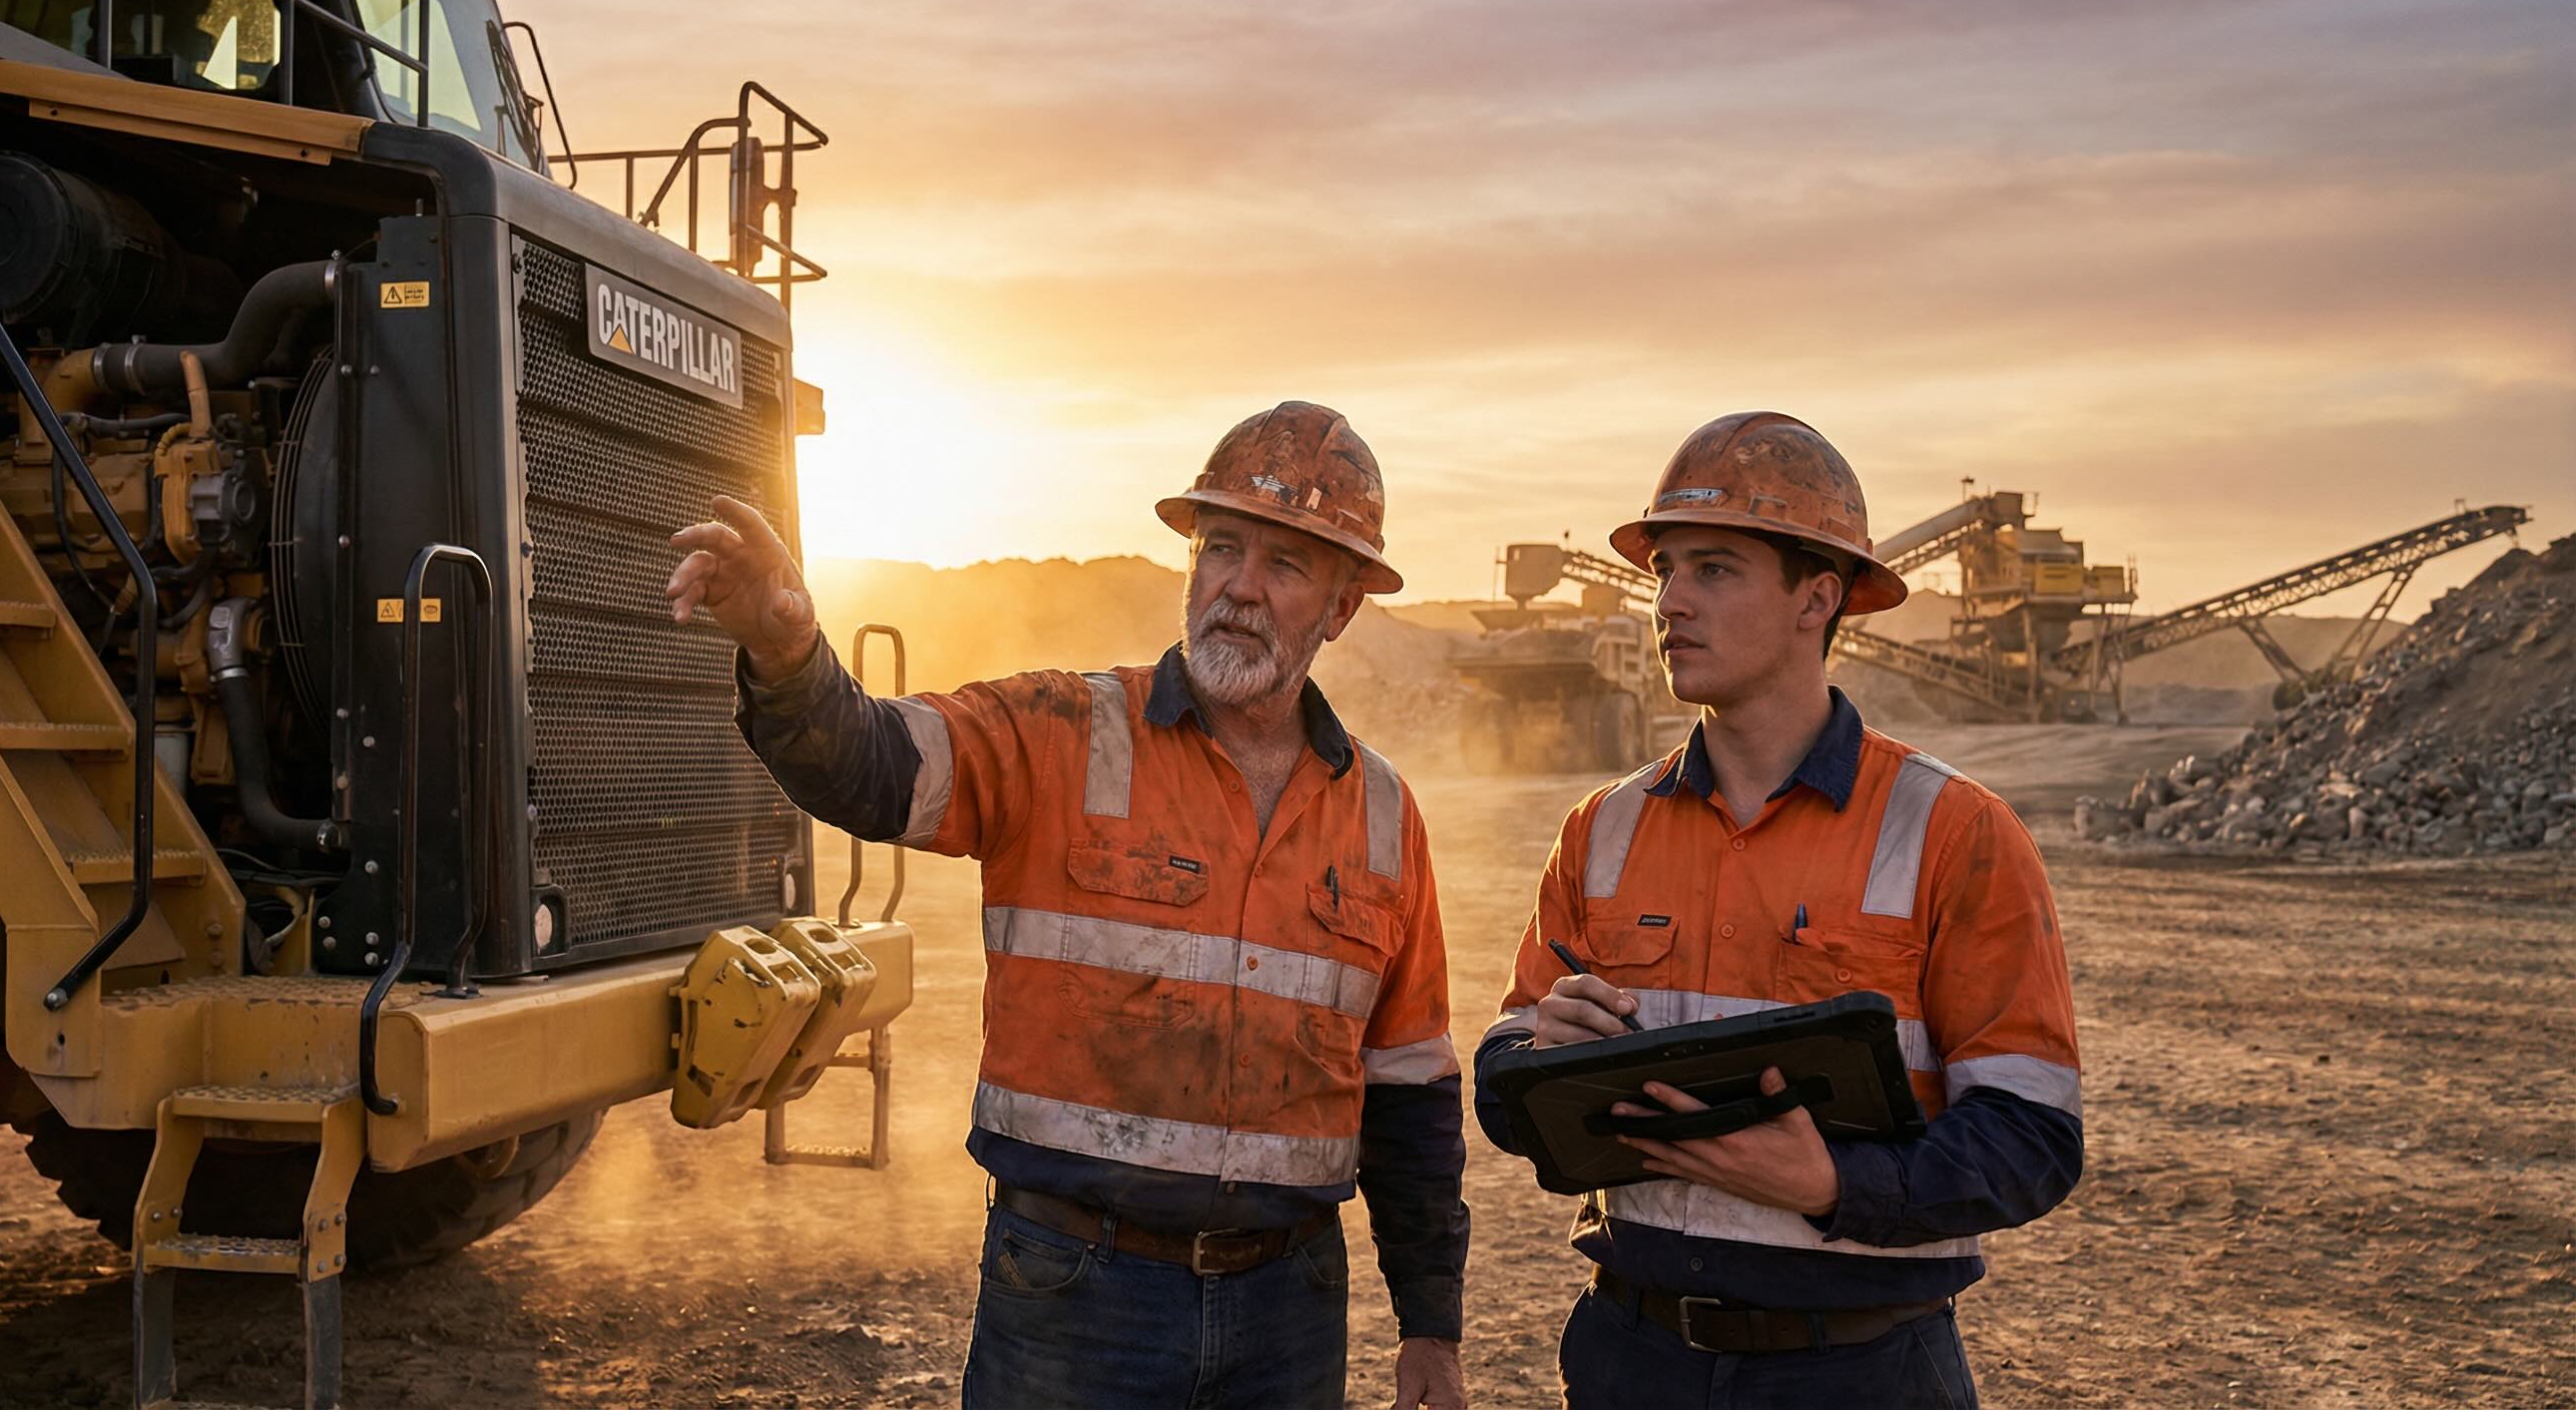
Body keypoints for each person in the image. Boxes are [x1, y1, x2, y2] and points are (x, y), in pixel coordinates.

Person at [668, 401, 1470, 1410]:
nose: (1240, 587)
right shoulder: (1056, 731)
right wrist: (789, 655)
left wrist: (1429, 1330)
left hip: (1289, 1309)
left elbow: (1409, 1095)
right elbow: (871, 767)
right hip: (1077, 1293)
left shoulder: (1385, 816)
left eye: (1287, 564)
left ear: (1343, 608)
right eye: (1222, 547)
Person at [1474, 411, 2083, 1408]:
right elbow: (1501, 1077)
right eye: (1665, 568)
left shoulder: (1954, 832)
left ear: (1818, 597)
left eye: (1713, 569)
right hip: (1632, 1357)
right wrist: (1531, 1054)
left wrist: (1835, 1186)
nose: (1668, 600)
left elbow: (2033, 1139)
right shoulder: (1603, 828)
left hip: (1861, 1369)